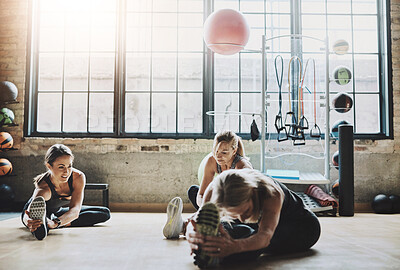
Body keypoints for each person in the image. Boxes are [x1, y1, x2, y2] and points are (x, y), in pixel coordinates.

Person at [186, 169, 321, 267]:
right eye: (235, 214)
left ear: (253, 193)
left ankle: (220, 252)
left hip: (298, 226)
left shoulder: (272, 194)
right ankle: (204, 238)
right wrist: (192, 235)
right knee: (194, 191)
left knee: (249, 239)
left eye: (246, 211)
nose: (242, 218)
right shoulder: (217, 188)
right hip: (257, 223)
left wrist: (235, 246)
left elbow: (265, 236)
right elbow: (197, 220)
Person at [162, 131, 253, 239]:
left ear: (234, 151)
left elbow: (241, 203)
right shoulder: (212, 160)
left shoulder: (242, 167)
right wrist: (205, 208)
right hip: (220, 204)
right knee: (193, 191)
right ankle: (189, 225)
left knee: (232, 226)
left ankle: (184, 226)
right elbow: (201, 194)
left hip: (240, 210)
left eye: (224, 152)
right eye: (216, 151)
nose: (218, 156)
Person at [21, 144, 111, 240]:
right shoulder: (43, 186)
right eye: (61, 167)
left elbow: (75, 209)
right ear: (49, 166)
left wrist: (56, 223)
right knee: (38, 224)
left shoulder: (78, 177)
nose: (66, 172)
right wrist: (29, 222)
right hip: (43, 212)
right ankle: (45, 223)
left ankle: (56, 223)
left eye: (69, 166)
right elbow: (30, 211)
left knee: (104, 213)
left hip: (57, 211)